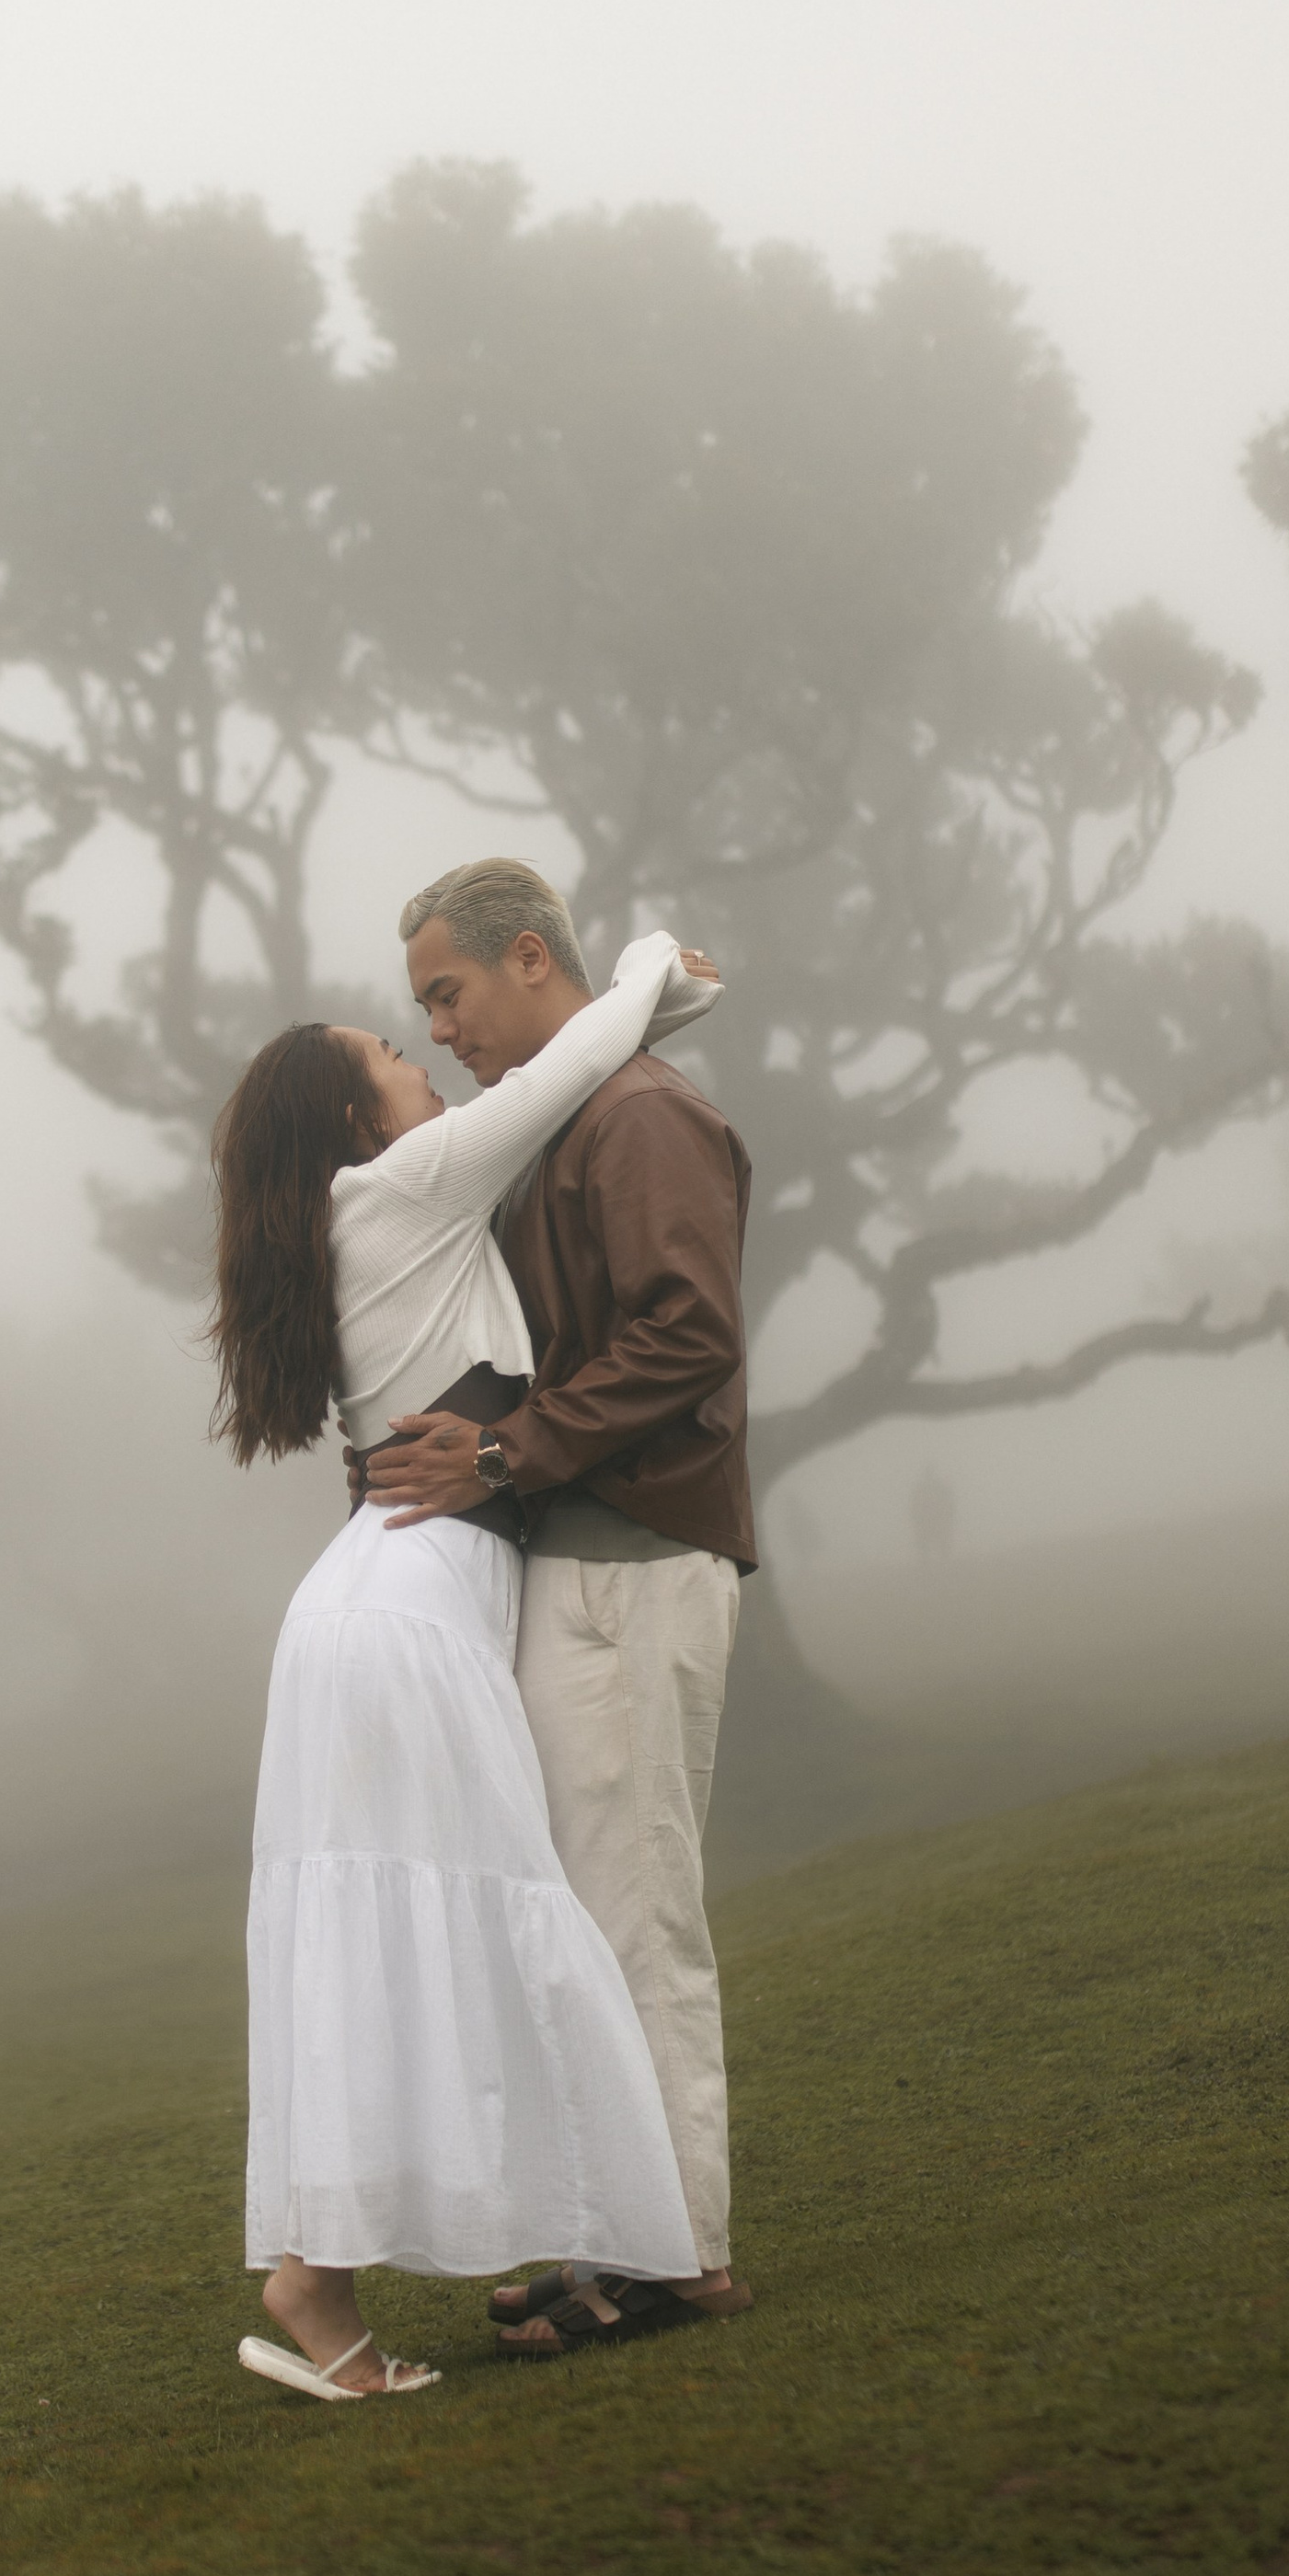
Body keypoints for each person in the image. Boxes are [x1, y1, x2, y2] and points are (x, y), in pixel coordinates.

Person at [211, 932, 722, 2400]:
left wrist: (667, 995)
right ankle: (633, 2248)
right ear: (354, 1124)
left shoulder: (354, 1215)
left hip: (372, 1605)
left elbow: (577, 1067)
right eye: (391, 1055)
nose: (422, 1058)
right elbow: (568, 1062)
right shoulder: (402, 1187)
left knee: (392, 1943)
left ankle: (323, 2287)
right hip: (409, 1613)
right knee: (493, 1919)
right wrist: (644, 959)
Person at [364, 861, 756, 2356]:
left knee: (636, 1921)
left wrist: (503, 1454)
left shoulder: (643, 1120)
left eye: (446, 994)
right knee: (586, 1925)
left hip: (637, 1564)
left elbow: (689, 1332)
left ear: (530, 961)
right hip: (584, 1563)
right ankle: (615, 2243)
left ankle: (681, 2259)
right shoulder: (570, 1117)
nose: (442, 1028)